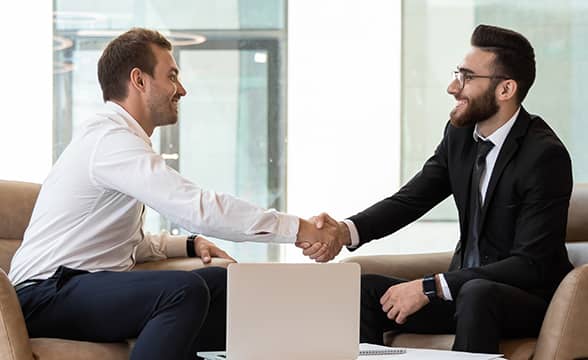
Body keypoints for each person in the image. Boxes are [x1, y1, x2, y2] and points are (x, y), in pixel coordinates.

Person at [8, 28, 334, 360]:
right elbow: (198, 208)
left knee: (221, 285)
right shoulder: (110, 140)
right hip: (45, 295)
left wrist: (188, 244)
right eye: (172, 76)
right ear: (139, 80)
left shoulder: (119, 143)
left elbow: (118, 240)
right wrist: (298, 229)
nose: (182, 89)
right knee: (183, 291)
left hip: (73, 288)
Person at [302, 24, 574, 353]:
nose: (452, 87)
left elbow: (530, 263)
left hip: (525, 299)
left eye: (467, 77)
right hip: (464, 291)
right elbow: (411, 199)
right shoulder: (460, 136)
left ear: (505, 89)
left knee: (478, 292)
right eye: (456, 74)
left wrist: (432, 287)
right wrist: (344, 232)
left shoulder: (544, 155)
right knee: (363, 291)